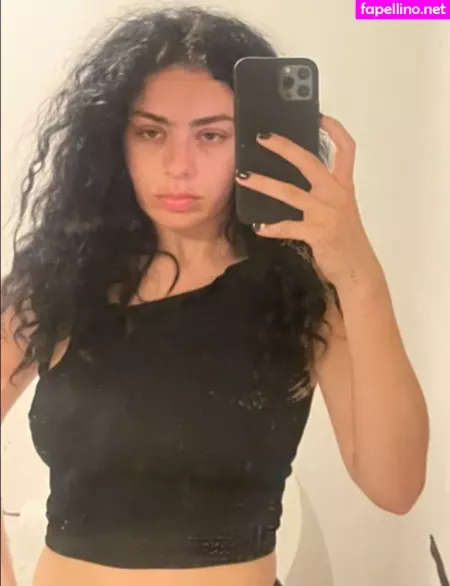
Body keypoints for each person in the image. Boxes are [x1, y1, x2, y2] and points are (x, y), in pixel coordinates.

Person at [0, 6, 429, 586]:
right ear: (114, 142)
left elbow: (396, 487)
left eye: (211, 135)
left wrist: (359, 272)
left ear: (252, 144)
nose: (179, 166)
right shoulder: (57, 284)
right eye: (151, 132)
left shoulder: (301, 296)